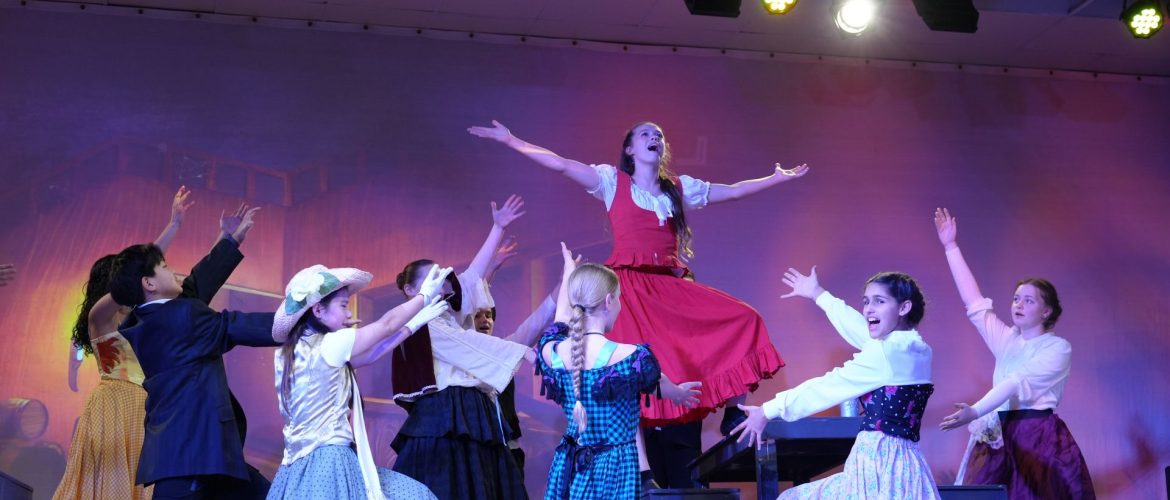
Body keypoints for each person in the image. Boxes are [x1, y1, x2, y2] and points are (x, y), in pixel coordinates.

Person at [468, 121, 806, 443]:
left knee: (744, 318)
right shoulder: (612, 182)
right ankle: (634, 451)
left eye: (658, 134)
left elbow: (731, 192)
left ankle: (733, 412)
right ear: (630, 149)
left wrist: (775, 178)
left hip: (669, 287)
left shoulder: (678, 189)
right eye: (645, 134)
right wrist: (511, 140)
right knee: (630, 362)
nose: (654, 137)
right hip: (628, 290)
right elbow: (561, 164)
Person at [389, 195, 553, 499]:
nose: (442, 284)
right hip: (446, 410)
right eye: (432, 279)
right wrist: (525, 352)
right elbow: (467, 343)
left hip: (469, 408)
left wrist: (497, 228)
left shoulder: (445, 315)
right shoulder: (421, 323)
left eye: (442, 278)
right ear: (410, 290)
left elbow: (470, 278)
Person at [109, 202, 275, 499]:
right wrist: (309, 318)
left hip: (195, 458)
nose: (172, 270)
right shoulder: (181, 318)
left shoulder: (142, 321)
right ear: (148, 283)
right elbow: (236, 325)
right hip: (194, 460)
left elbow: (194, 289)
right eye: (164, 267)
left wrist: (230, 239)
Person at [733, 267, 939, 499]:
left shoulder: (885, 355)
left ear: (904, 307)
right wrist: (818, 294)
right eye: (866, 301)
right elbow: (860, 329)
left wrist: (767, 410)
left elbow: (828, 386)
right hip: (907, 466)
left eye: (879, 301)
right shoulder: (918, 349)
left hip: (877, 461)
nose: (868, 309)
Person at [933, 208, 1095, 499]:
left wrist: (976, 411)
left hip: (1037, 438)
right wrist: (951, 246)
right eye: (1016, 298)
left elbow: (1016, 382)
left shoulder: (1058, 348)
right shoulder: (1008, 340)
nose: (1018, 305)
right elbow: (975, 304)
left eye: (1029, 301)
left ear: (1046, 311)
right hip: (1001, 437)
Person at [53, 186, 198, 500]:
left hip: (145, 408)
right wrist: (171, 228)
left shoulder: (139, 320)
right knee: (112, 482)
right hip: (114, 405)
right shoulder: (99, 319)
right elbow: (135, 274)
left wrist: (175, 225)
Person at [267, 264, 450, 499]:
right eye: (343, 305)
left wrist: (411, 326)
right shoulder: (331, 344)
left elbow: (373, 352)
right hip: (330, 461)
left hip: (297, 466)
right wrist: (423, 298)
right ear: (318, 310)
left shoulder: (288, 353)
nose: (348, 314)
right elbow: (385, 325)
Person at [537, 242, 699, 499]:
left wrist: (568, 271)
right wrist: (678, 393)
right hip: (614, 470)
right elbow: (659, 382)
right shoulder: (629, 357)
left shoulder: (553, 352)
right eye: (620, 298)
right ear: (609, 301)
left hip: (571, 467)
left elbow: (560, 320)